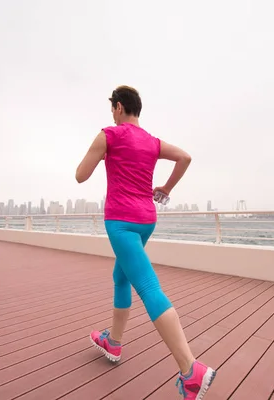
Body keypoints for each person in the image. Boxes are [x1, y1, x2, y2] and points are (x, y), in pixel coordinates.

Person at [75, 85, 216, 399]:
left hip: (120, 222)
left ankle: (191, 369)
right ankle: (114, 342)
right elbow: (185, 156)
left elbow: (80, 175)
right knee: (120, 276)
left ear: (120, 107)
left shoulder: (109, 135)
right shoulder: (152, 142)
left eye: (113, 108)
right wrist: (164, 188)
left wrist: (102, 151)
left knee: (149, 287)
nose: (112, 113)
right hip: (146, 221)